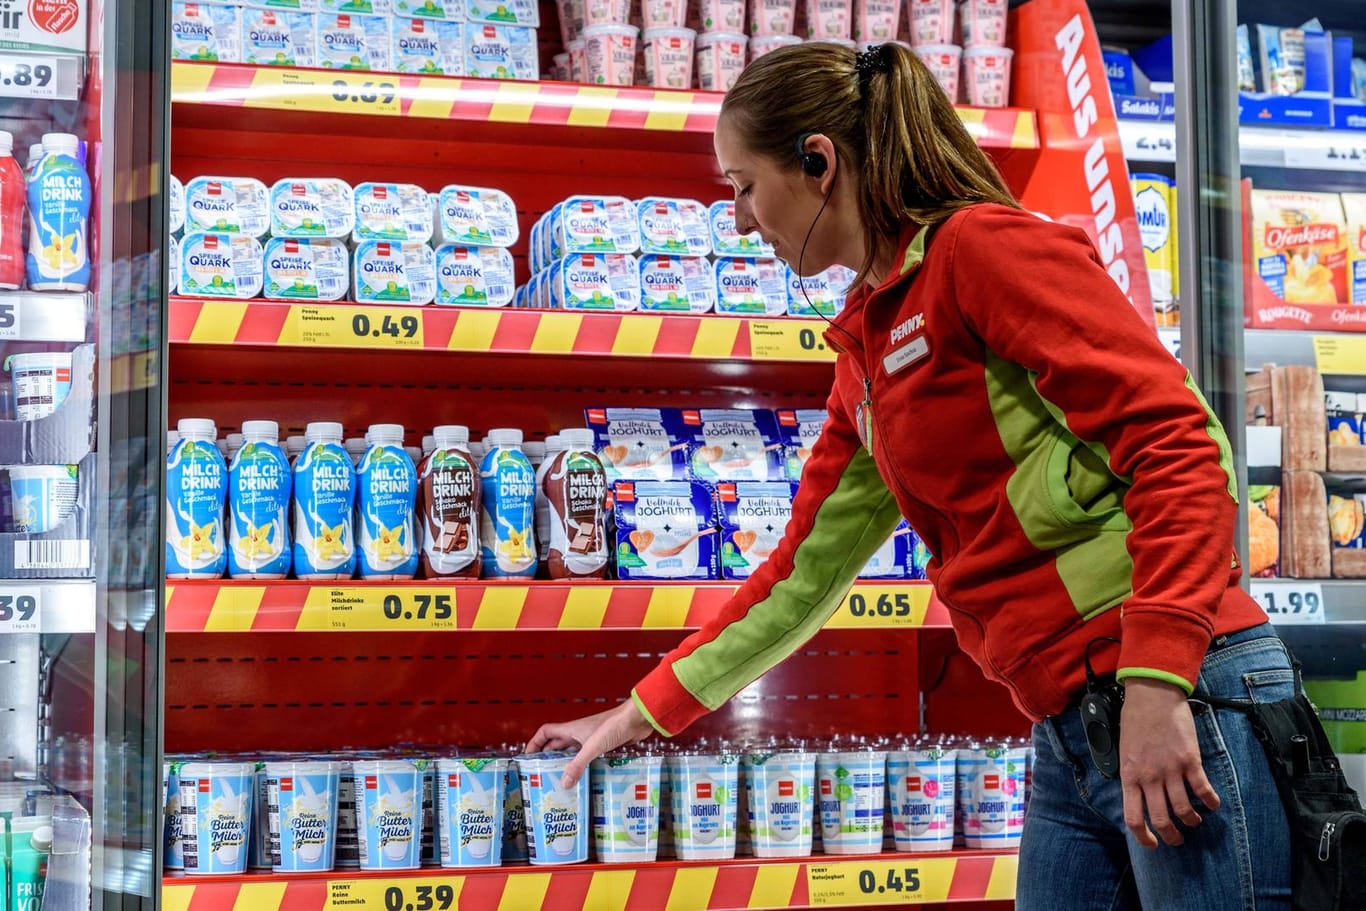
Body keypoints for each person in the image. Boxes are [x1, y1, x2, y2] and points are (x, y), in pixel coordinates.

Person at [527, 42, 1292, 910]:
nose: (739, 220)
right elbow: (796, 578)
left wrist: (1158, 680)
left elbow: (1181, 443)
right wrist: (633, 714)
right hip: (1069, 726)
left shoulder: (983, 251)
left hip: (1183, 688)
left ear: (819, 161)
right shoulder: (866, 352)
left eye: (742, 186)